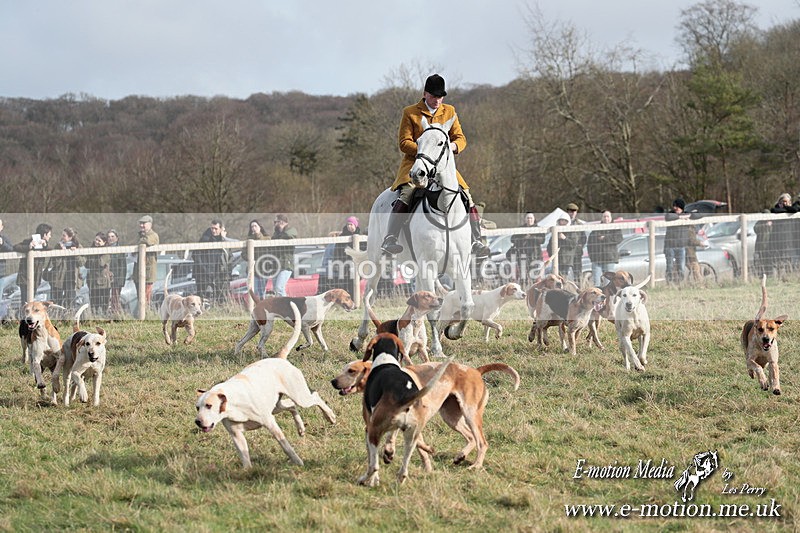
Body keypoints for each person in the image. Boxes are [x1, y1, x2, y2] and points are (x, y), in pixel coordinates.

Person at [380, 73, 491, 258]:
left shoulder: (450, 111)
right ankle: (390, 238)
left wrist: (452, 147)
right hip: (416, 164)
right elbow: (404, 142)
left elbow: (460, 138)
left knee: (466, 194)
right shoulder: (410, 112)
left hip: (442, 165)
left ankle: (476, 240)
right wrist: (426, 152)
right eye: (433, 97)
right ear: (425, 94)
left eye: (440, 97)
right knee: (407, 193)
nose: (437, 101)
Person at [13, 223, 53, 311]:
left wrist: (44, 245)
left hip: (36, 278)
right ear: (44, 234)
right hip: (25, 277)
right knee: (25, 302)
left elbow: (51, 248)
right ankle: (23, 320)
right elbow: (15, 247)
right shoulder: (29, 240)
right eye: (49, 234)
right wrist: (29, 246)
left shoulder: (45, 244)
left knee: (31, 301)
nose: (50, 236)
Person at [46, 227, 84, 310]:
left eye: (64, 235)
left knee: (70, 302)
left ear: (70, 237)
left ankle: (69, 318)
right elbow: (55, 263)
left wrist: (76, 253)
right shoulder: (58, 246)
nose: (62, 237)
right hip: (58, 279)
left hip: (71, 278)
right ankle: (58, 318)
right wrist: (61, 252)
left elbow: (81, 262)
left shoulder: (78, 246)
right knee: (57, 302)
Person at [195, 219, 228, 303]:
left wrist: (223, 238)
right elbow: (196, 255)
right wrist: (203, 269)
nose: (213, 231)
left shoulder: (224, 241)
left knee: (220, 298)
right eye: (212, 228)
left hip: (219, 274)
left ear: (221, 229)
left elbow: (228, 256)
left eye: (216, 229)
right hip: (204, 274)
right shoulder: (205, 239)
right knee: (204, 298)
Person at [586, 210, 623, 287]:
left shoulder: (615, 228)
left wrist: (605, 238)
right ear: (602, 218)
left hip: (609, 259)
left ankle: (608, 297)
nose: (606, 218)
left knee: (608, 282)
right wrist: (592, 257)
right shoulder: (596, 229)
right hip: (597, 259)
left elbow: (619, 239)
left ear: (611, 217)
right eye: (604, 216)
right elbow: (590, 244)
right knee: (596, 281)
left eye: (608, 216)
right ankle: (597, 296)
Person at [508, 212, 545, 283]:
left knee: (535, 277)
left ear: (534, 219)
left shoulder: (539, 229)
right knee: (523, 277)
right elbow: (512, 239)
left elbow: (542, 240)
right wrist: (523, 237)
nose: (529, 220)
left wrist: (531, 237)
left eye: (531, 218)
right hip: (522, 256)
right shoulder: (520, 229)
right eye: (528, 218)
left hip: (535, 256)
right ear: (525, 219)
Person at [331, 216, 361, 295]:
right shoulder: (342, 237)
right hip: (344, 265)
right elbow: (337, 251)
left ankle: (355, 301)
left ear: (355, 225)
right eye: (348, 224)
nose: (349, 226)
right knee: (344, 285)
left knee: (355, 284)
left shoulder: (360, 236)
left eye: (351, 224)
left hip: (357, 265)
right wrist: (336, 264)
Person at [133, 215, 159, 307]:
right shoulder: (138, 235)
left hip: (148, 273)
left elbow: (146, 241)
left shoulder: (153, 235)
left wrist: (139, 242)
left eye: (144, 223)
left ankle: (147, 315)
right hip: (137, 272)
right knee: (140, 297)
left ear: (150, 224)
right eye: (140, 223)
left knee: (146, 298)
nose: (141, 225)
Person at [769, 193, 798, 273]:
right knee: (777, 263)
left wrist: (786, 208)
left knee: (788, 263)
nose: (785, 204)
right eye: (783, 202)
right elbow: (774, 210)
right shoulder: (776, 209)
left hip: (789, 242)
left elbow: (795, 209)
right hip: (777, 242)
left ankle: (788, 279)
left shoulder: (793, 210)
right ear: (779, 202)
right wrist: (787, 208)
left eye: (787, 202)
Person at [85, 232, 112, 316]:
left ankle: (104, 318)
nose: (96, 242)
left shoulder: (106, 252)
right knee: (94, 305)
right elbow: (87, 264)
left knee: (104, 304)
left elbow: (100, 263)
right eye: (96, 239)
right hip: (92, 282)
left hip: (103, 283)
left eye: (99, 240)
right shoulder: (91, 250)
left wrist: (93, 258)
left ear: (104, 242)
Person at [270, 214, 297, 296]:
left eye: (276, 222)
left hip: (286, 264)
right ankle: (280, 307)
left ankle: (286, 306)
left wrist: (281, 229)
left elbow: (289, 236)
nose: (274, 224)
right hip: (276, 265)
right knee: (276, 289)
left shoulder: (291, 230)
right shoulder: (276, 233)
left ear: (281, 222)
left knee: (279, 288)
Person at [547, 215, 579, 280]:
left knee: (564, 279)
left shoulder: (571, 232)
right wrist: (552, 256)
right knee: (556, 279)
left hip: (567, 261)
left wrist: (565, 238)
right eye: (561, 220)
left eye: (565, 221)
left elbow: (573, 244)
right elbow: (549, 246)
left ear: (568, 222)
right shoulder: (555, 231)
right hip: (556, 260)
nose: (563, 222)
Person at [664, 198, 687, 283]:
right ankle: (669, 282)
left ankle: (680, 283)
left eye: (677, 206)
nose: (675, 208)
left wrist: (686, 216)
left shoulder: (686, 214)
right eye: (674, 206)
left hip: (681, 246)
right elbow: (668, 217)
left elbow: (697, 215)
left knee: (681, 267)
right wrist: (681, 217)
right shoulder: (670, 214)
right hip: (670, 246)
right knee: (669, 266)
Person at [246, 219, 270, 299]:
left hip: (264, 269)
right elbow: (243, 253)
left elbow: (271, 252)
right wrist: (250, 258)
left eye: (255, 226)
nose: (253, 228)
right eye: (252, 226)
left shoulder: (267, 239)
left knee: (262, 291)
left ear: (260, 227)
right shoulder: (248, 240)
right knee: (254, 291)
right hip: (253, 269)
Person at [106, 229, 127, 316]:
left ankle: (117, 315)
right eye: (108, 237)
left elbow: (123, 267)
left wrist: (121, 281)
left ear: (117, 238)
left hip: (117, 279)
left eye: (112, 236)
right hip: (106, 279)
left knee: (116, 299)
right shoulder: (105, 248)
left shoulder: (120, 250)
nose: (110, 238)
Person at [566, 203, 587, 285]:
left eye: (574, 211)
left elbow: (583, 238)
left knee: (577, 273)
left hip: (576, 253)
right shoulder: (564, 222)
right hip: (566, 252)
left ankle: (578, 288)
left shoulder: (579, 224)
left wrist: (580, 246)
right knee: (564, 272)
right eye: (571, 211)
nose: (572, 213)